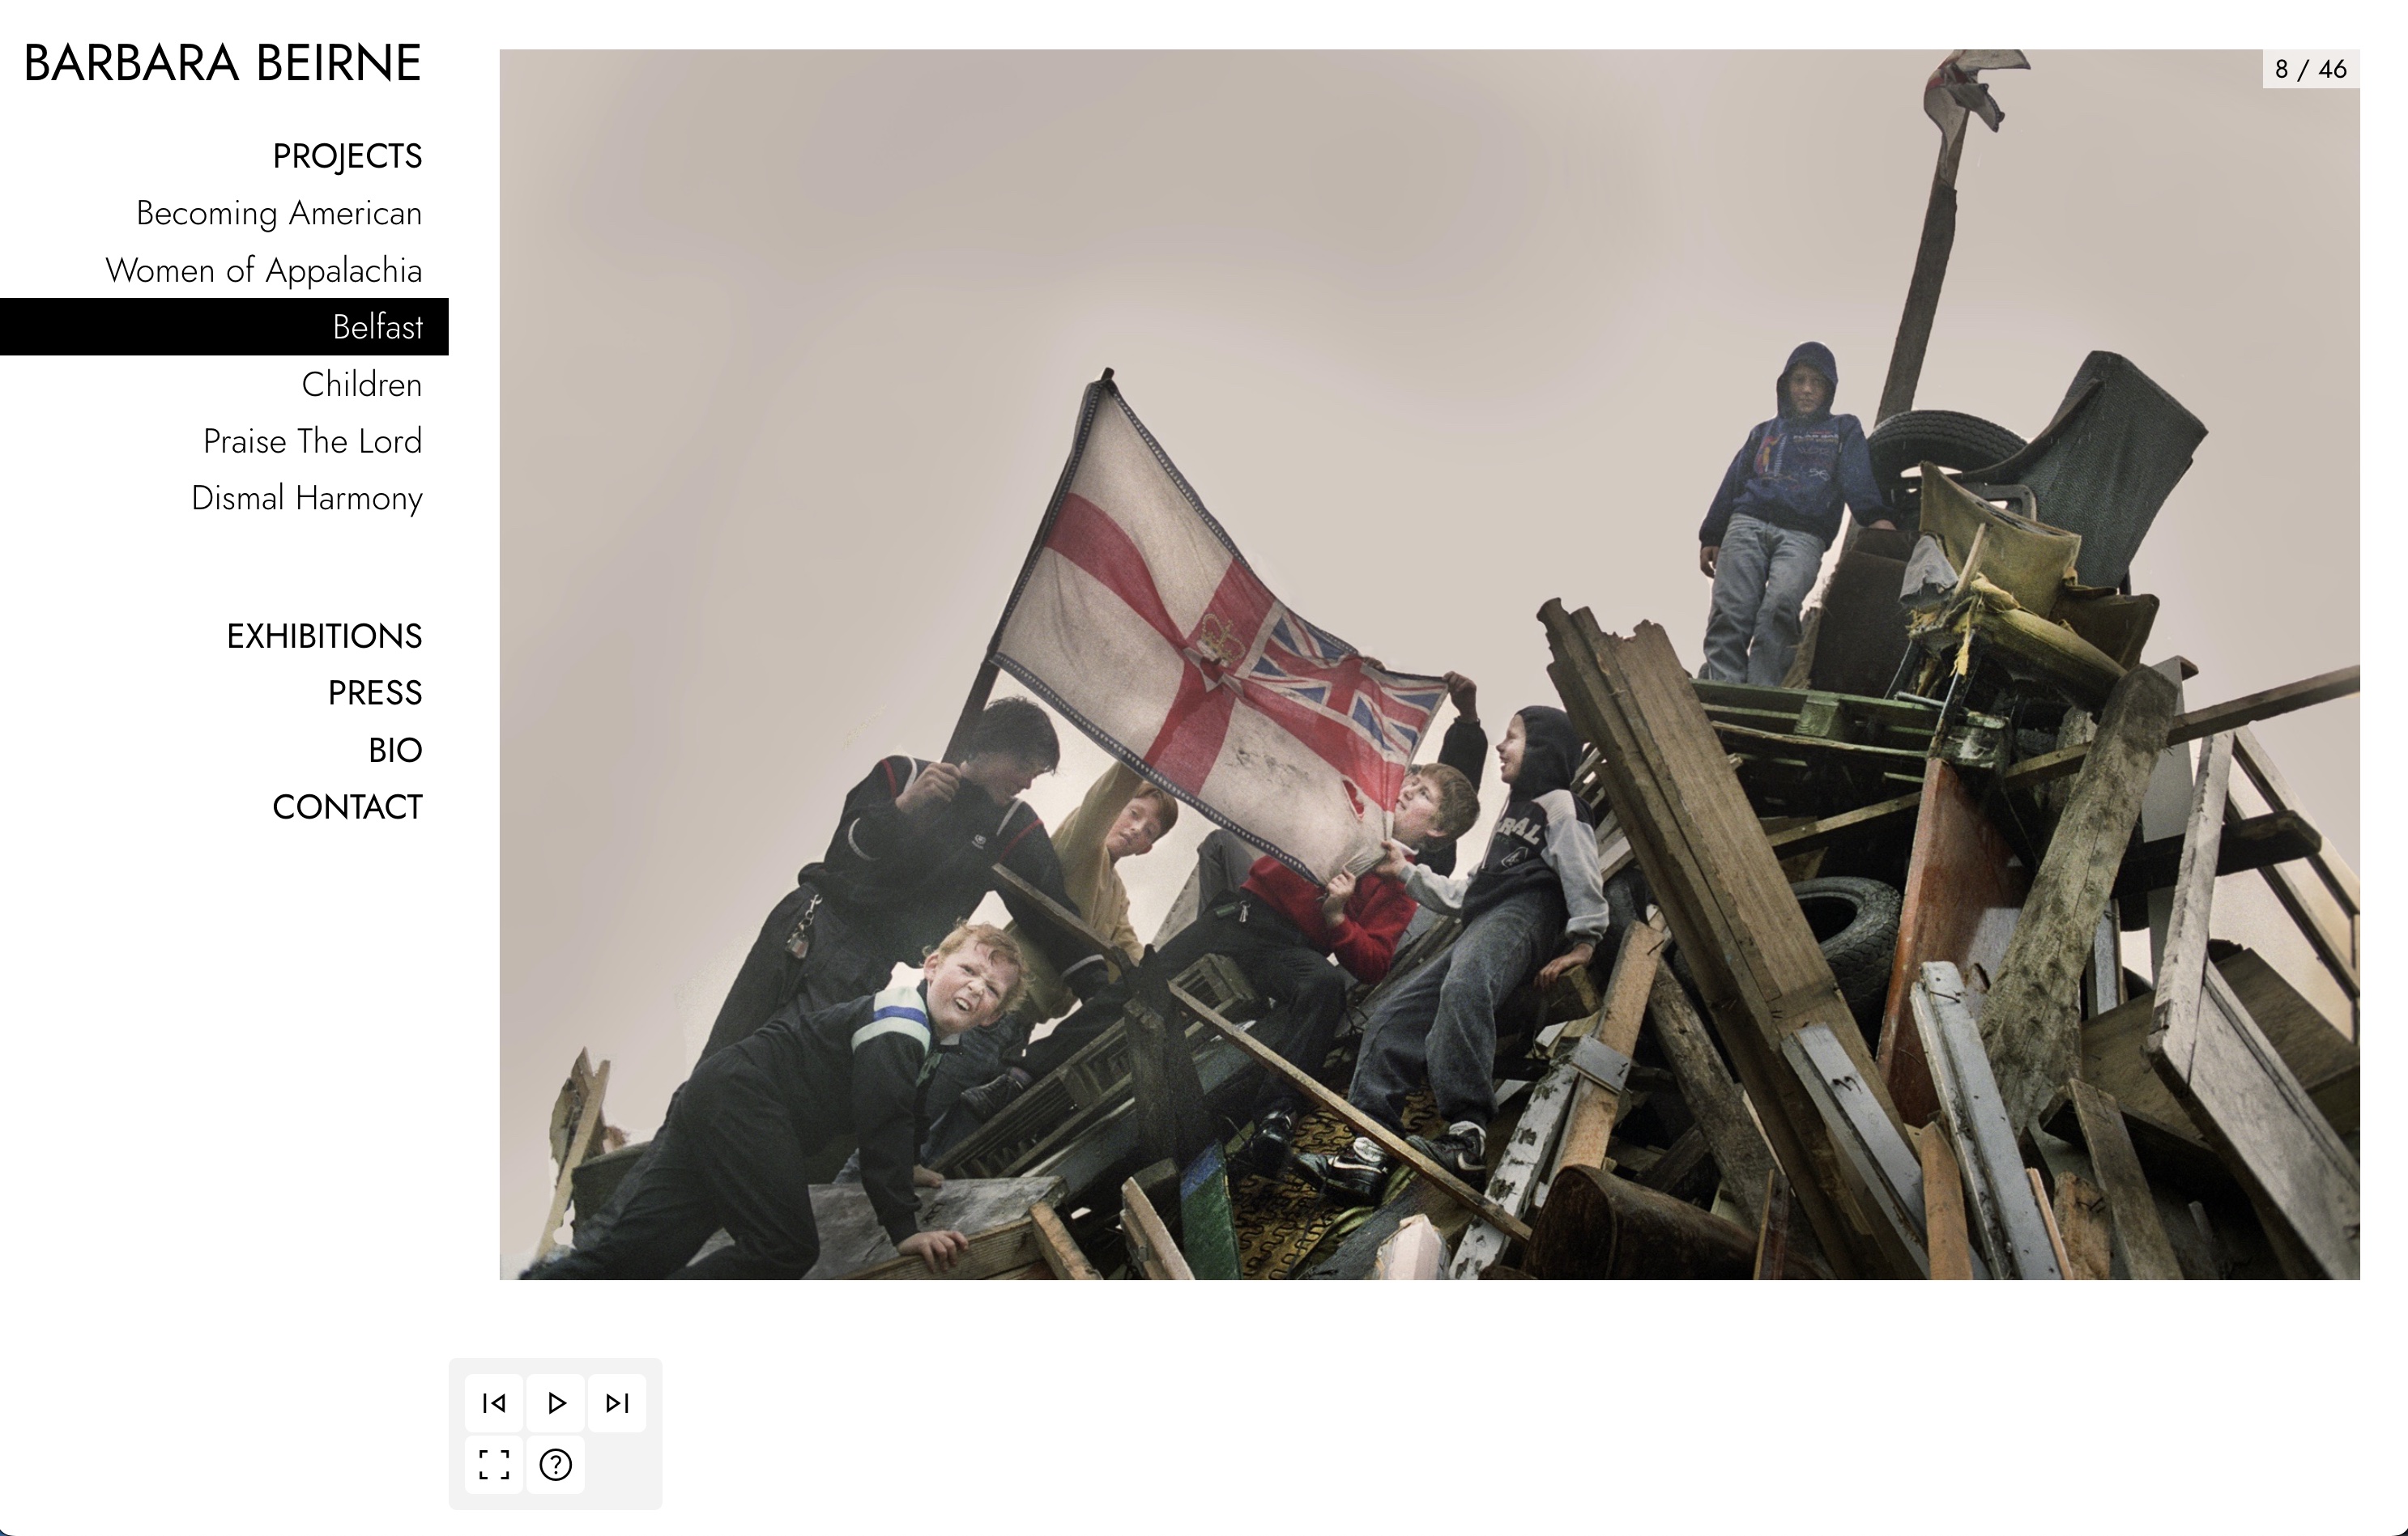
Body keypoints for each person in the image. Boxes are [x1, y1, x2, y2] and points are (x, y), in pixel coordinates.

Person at [950, 759, 1483, 1173]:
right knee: (1136, 988)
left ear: (1434, 832)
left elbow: (1372, 961)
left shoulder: (1402, 888)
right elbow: (1302, 791)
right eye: (1410, 781)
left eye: (1422, 796)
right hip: (1240, 917)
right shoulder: (1347, 811)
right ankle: (1023, 1073)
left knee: (1322, 985)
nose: (1408, 791)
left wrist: (1338, 918)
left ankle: (1276, 1114)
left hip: (1288, 947)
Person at [523, 924, 1025, 1279]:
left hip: (721, 1093)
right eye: (967, 969)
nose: (975, 987)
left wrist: (910, 1163)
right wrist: (903, 1226)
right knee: (784, 1248)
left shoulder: (930, 1039)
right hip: (747, 1100)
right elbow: (884, 1118)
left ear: (991, 1018)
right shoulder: (901, 1022)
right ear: (933, 965)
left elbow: (909, 1105)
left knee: (644, 1250)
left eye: (992, 990)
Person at [1302, 706, 1607, 1198]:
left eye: (1513, 739)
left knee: (1466, 984)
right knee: (1393, 1015)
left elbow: (1583, 874)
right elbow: (1470, 891)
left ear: (1545, 750)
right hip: (1484, 919)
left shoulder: (1560, 806)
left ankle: (1467, 1136)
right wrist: (1405, 871)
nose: (1503, 749)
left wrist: (1586, 942)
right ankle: (1368, 1151)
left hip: (1529, 912)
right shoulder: (1511, 814)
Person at [698, 696, 1108, 1063]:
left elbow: (1050, 912)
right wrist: (903, 808)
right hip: (805, 918)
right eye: (1024, 766)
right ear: (993, 743)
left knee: (767, 1069)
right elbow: (844, 853)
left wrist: (1101, 993)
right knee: (721, 1055)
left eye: (1035, 773)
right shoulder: (903, 774)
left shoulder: (1012, 826)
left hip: (867, 961)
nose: (1027, 782)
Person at [919, 762, 1174, 1155]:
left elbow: (1130, 960)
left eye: (1149, 831)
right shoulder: (1082, 848)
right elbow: (1103, 797)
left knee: (950, 1143)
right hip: (985, 1012)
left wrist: (1169, 986)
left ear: (1147, 848)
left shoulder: (1118, 897)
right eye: (1133, 813)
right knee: (914, 1124)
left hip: (1018, 1029)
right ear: (1116, 809)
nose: (1136, 829)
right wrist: (1144, 752)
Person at [1697, 342, 1896, 686]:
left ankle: (1762, 691)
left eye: (1816, 383)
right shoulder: (1763, 432)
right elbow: (1734, 481)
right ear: (1785, 385)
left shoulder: (1842, 429)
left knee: (1781, 606)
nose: (1806, 389)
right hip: (1748, 522)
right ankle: (1723, 687)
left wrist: (1874, 516)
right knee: (1731, 610)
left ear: (1828, 390)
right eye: (1799, 380)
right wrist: (1712, 534)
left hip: (1804, 534)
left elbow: (1856, 475)